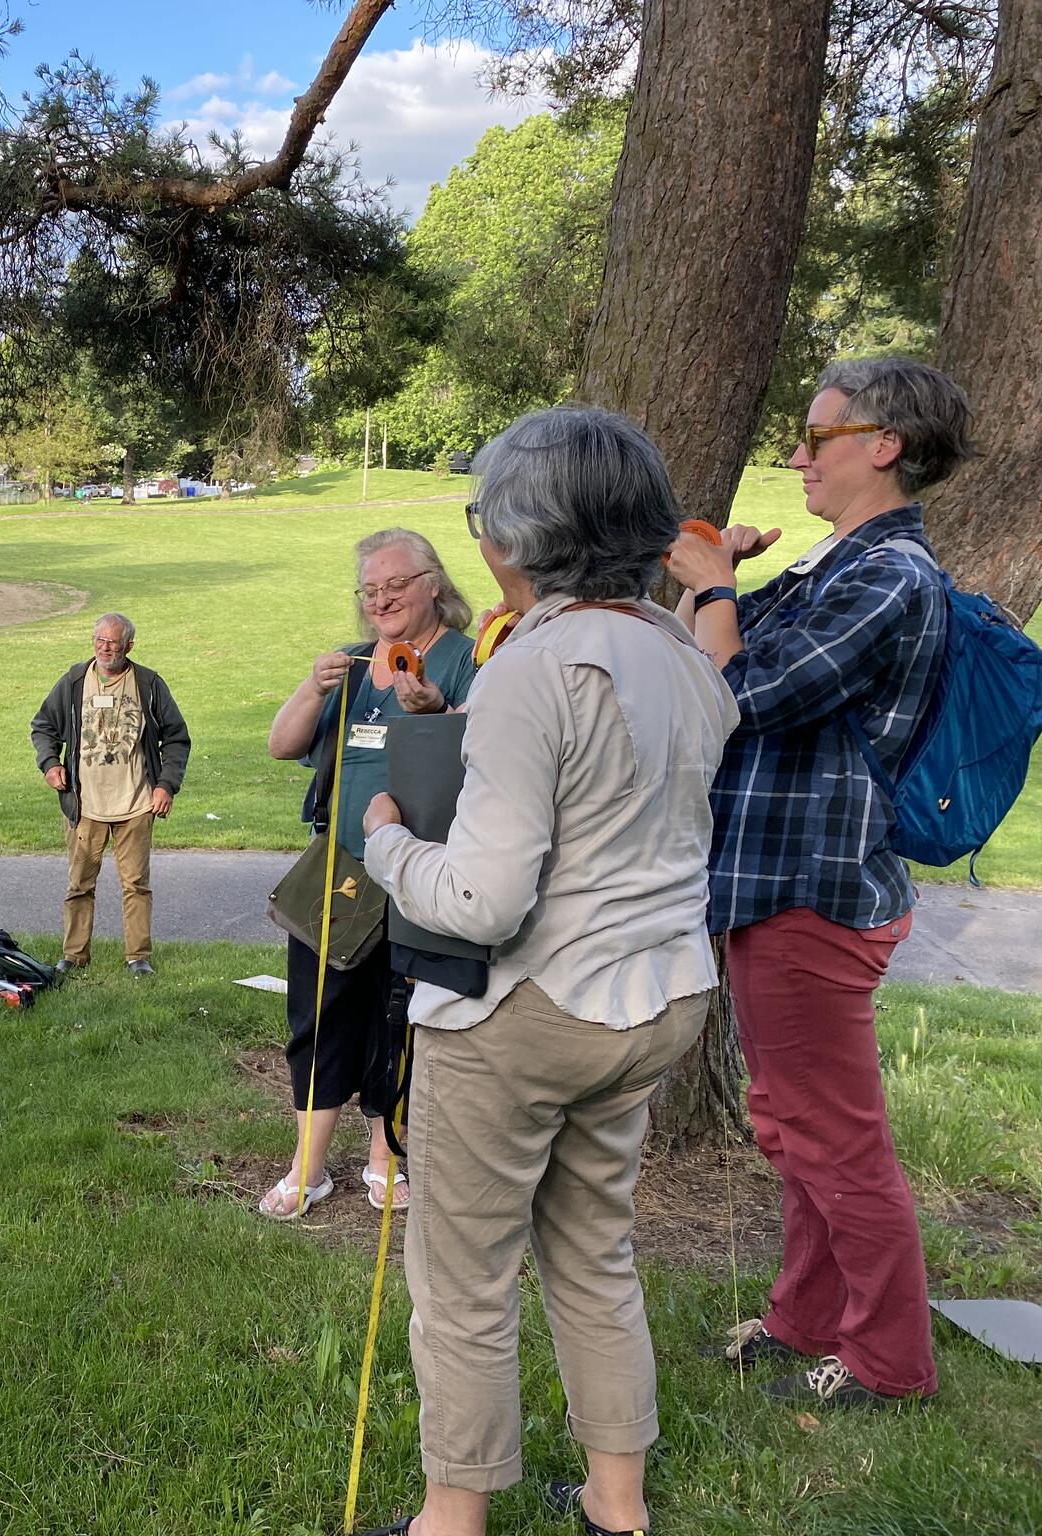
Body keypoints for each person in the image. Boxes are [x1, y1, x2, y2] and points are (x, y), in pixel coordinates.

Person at [355, 408, 738, 1536]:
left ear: (516, 536)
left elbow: (481, 899)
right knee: (591, 1251)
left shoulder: (535, 657)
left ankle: (449, 1519)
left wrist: (385, 838)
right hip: (658, 997)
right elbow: (601, 769)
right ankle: (615, 1507)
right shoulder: (680, 646)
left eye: (481, 519)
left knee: (463, 1280)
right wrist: (456, 719)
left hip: (525, 1008)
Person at [666, 357, 967, 1410]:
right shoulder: (842, 562)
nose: (796, 455)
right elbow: (728, 653)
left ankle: (887, 1365)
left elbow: (738, 690)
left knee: (831, 1132)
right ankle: (802, 1318)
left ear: (880, 445)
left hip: (814, 887)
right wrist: (723, 578)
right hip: (775, 884)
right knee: (790, 1118)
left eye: (816, 437)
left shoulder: (889, 578)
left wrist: (710, 586)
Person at [259, 529, 477, 1219]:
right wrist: (309, 684)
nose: (380, 599)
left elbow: (485, 745)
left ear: (433, 584)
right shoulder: (350, 663)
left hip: (422, 871)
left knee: (403, 1017)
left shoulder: (465, 659)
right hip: (340, 875)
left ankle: (386, 1154)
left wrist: (435, 711)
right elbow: (281, 745)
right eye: (370, 590)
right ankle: (310, 1167)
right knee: (318, 1016)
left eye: (395, 585)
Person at [29, 613, 192, 975]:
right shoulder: (73, 681)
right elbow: (43, 727)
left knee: (136, 885)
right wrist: (50, 764)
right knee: (79, 885)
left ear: (129, 646)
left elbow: (177, 738)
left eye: (113, 643)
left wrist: (166, 785)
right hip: (85, 806)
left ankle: (138, 958)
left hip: (136, 804)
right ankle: (73, 957)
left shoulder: (148, 684)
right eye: (99, 640)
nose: (104, 648)